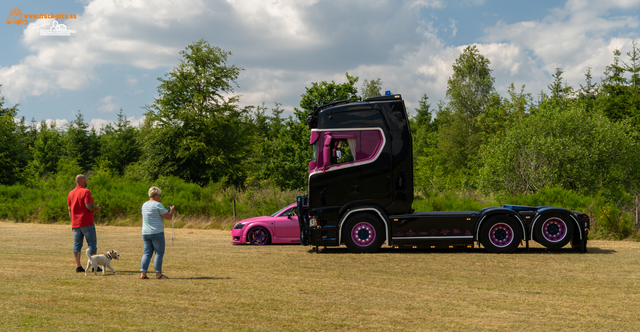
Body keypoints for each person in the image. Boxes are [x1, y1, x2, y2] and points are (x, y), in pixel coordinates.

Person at [68, 174, 102, 273]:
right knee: (91, 243)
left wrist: (72, 222)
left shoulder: (71, 193)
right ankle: (93, 266)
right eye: (85, 180)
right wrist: (96, 209)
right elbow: (88, 206)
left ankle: (78, 266)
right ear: (82, 181)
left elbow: (69, 209)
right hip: (86, 222)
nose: (86, 182)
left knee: (77, 244)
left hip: (75, 223)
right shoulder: (86, 191)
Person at [140, 186, 174, 280]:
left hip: (145, 233)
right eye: (159, 195)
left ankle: (143, 273)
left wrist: (165, 211)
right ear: (156, 195)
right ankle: (158, 274)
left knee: (147, 253)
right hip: (157, 233)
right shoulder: (158, 205)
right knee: (159, 253)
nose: (160, 196)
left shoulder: (144, 204)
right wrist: (172, 211)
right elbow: (167, 217)